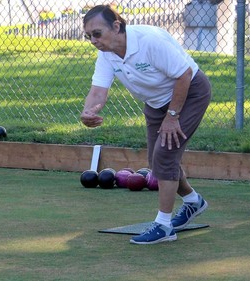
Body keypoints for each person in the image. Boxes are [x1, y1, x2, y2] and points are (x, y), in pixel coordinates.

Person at [80, 5, 211, 245]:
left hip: (189, 92)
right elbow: (98, 91)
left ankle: (164, 226)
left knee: (164, 156)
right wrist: (89, 111)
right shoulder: (106, 54)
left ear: (116, 26)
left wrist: (172, 116)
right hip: (155, 102)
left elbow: (184, 75)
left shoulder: (149, 41)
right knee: (156, 161)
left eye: (96, 33)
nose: (92, 40)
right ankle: (194, 201)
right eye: (88, 36)